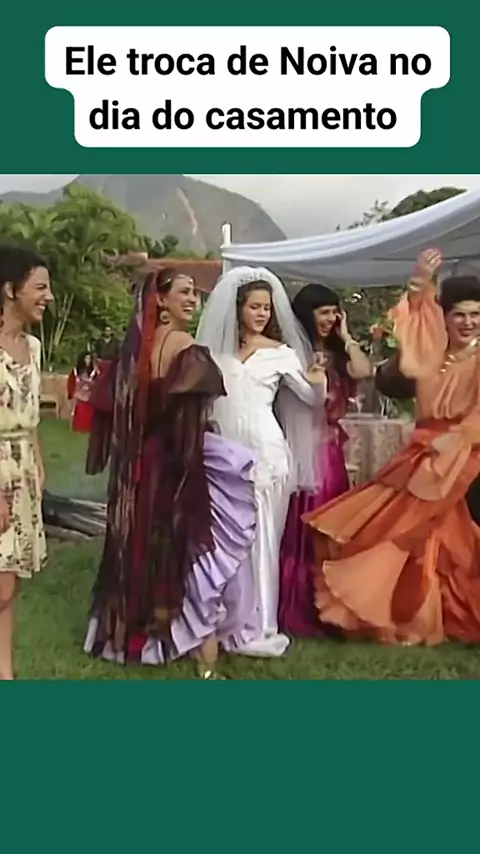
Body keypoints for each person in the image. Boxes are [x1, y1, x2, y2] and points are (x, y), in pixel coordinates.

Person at [84, 268, 258, 679]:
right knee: (186, 547)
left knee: (138, 543)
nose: (192, 299)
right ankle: (198, 646)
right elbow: (193, 418)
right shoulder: (187, 347)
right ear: (160, 299)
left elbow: (109, 409)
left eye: (194, 293)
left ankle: (132, 635)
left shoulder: (133, 352)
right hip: (174, 462)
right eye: (184, 292)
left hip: (137, 464)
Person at [304, 248, 480, 646]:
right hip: (421, 451)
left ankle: (440, 611)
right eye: (460, 314)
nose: (468, 322)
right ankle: (417, 613)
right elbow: (416, 321)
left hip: (459, 454)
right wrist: (421, 283)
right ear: (445, 318)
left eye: (476, 314)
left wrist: (455, 442)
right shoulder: (431, 355)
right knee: (388, 524)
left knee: (433, 532)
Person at [196, 266, 326, 658]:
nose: (262, 314)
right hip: (223, 455)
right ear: (237, 308)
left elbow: (311, 398)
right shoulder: (214, 353)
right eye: (254, 307)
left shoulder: (280, 354)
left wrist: (317, 378)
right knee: (226, 542)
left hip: (266, 455)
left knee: (263, 540)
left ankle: (262, 626)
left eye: (266, 308)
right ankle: (225, 621)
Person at [279, 284, 372, 637]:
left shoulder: (337, 353)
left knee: (332, 526)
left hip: (331, 451)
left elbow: (363, 370)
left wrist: (346, 337)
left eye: (335, 312)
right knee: (302, 529)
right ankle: (299, 604)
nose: (330, 318)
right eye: (324, 312)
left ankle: (331, 607)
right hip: (303, 448)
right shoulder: (292, 353)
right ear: (307, 314)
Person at [0, 245, 53, 679]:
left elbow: (31, 413)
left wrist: (38, 463)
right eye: (39, 287)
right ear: (9, 290)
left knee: (9, 584)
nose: (48, 296)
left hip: (23, 474)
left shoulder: (32, 348)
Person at [67, 351, 99, 433]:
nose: (88, 360)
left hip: (90, 395)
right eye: (86, 358)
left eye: (89, 358)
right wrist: (71, 393)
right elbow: (71, 382)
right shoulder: (75, 371)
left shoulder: (94, 371)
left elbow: (97, 383)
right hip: (78, 395)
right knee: (78, 406)